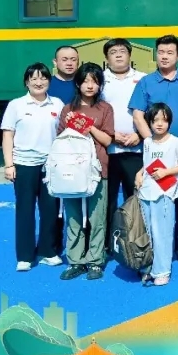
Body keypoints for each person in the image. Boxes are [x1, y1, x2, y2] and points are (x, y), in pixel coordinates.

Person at [130, 35, 178, 267]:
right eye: (161, 52)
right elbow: (138, 115)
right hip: (155, 158)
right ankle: (154, 248)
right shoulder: (146, 82)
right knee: (155, 202)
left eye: (170, 52)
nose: (165, 56)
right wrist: (153, 143)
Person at [1, 63, 65, 272]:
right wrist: (9, 164)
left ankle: (48, 251)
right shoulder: (16, 105)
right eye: (34, 79)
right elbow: (8, 135)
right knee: (25, 210)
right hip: (24, 164)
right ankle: (25, 256)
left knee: (51, 209)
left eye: (43, 78)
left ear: (49, 81)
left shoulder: (57, 104)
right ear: (27, 82)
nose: (39, 82)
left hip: (51, 165)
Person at [57, 63, 115, 281]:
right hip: (71, 171)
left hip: (98, 169)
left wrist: (88, 126)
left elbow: (107, 140)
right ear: (78, 84)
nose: (90, 86)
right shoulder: (67, 109)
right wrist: (72, 124)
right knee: (73, 217)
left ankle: (95, 261)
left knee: (96, 217)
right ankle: (75, 260)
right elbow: (60, 139)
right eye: (86, 81)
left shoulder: (105, 109)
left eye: (95, 81)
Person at [135, 103, 178, 287]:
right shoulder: (148, 142)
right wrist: (139, 174)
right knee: (148, 232)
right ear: (149, 123)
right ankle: (148, 267)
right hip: (146, 193)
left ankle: (162, 270)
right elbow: (147, 164)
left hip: (165, 193)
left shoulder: (175, 142)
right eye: (155, 120)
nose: (159, 124)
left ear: (169, 122)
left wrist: (166, 172)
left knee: (163, 233)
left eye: (164, 120)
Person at [101, 39, 146, 256]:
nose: (118, 55)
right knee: (106, 201)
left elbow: (151, 111)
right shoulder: (100, 80)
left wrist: (140, 135)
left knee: (134, 200)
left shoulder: (143, 79)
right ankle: (107, 245)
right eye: (113, 52)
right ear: (106, 58)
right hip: (107, 151)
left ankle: (134, 244)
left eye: (122, 51)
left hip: (135, 151)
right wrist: (111, 136)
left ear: (129, 55)